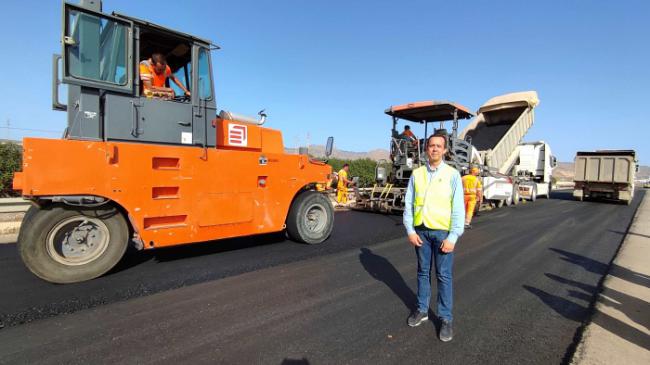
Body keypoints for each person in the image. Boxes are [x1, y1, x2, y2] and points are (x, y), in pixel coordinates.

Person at [403, 131, 465, 342]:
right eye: (431, 145)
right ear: (426, 149)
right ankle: (422, 310)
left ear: (445, 150)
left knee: (444, 276)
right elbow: (409, 204)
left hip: (442, 234)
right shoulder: (417, 174)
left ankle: (446, 319)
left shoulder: (452, 175)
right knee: (422, 273)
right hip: (421, 232)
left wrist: (453, 236)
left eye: (439, 146)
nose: (435, 149)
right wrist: (410, 230)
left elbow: (458, 209)